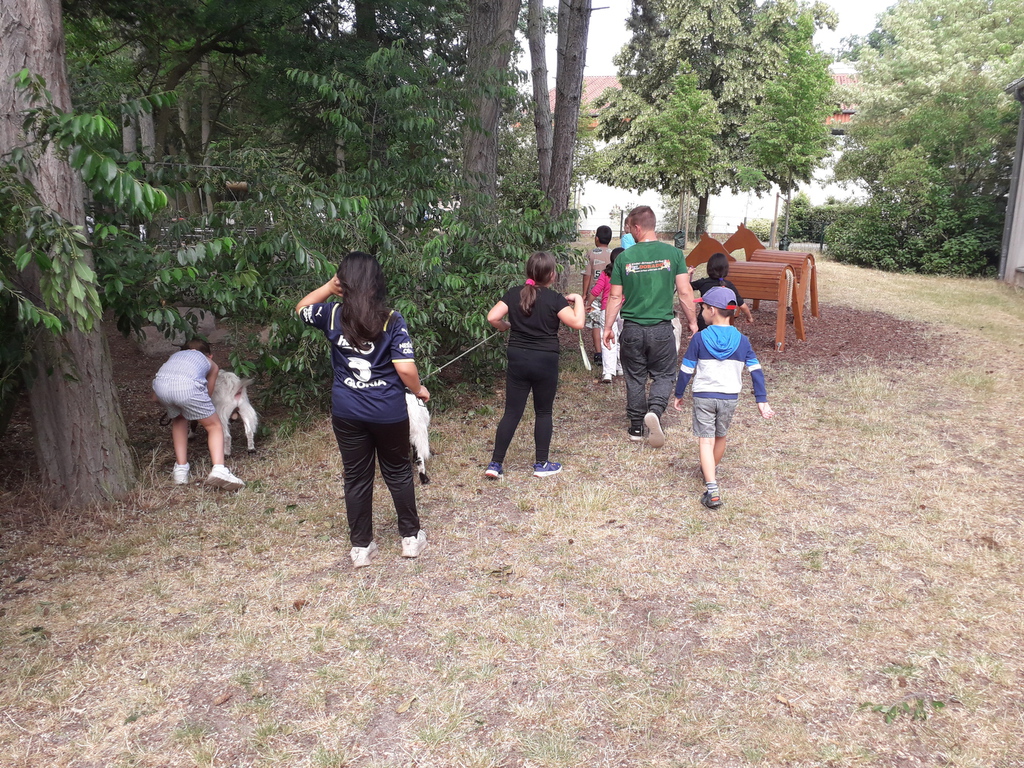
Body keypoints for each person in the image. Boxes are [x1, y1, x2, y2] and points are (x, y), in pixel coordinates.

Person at [296, 252, 430, 568]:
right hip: (388, 412)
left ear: (342, 282)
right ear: (376, 283)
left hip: (347, 412)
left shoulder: (331, 314)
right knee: (398, 471)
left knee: (356, 477)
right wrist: (418, 389)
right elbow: (405, 368)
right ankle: (410, 538)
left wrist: (328, 287)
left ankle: (361, 547)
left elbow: (301, 308)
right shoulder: (391, 319)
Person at [602, 205, 697, 448]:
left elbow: (615, 297)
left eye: (628, 228)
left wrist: (608, 327)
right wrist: (693, 322)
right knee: (664, 374)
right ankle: (654, 410)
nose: (628, 233)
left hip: (632, 329)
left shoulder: (624, 257)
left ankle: (636, 426)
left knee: (635, 377)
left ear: (637, 227)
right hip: (662, 329)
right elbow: (685, 292)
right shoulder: (674, 254)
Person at [485, 251, 586, 479]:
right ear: (551, 275)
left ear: (529, 272)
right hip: (545, 360)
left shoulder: (514, 294)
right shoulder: (555, 299)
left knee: (512, 412)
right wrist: (578, 300)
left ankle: (495, 463)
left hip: (518, 358)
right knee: (543, 411)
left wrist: (505, 326)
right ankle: (541, 464)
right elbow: (578, 322)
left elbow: (492, 317)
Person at [672, 286, 774, 508]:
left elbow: (686, 370)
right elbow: (756, 371)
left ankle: (712, 488)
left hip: (704, 396)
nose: (701, 312)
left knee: (705, 440)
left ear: (712, 310)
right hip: (729, 397)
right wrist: (761, 400)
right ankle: (709, 472)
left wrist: (679, 393)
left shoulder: (699, 339)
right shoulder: (743, 341)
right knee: (720, 436)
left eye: (703, 308)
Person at [152, 339, 245, 491]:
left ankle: (180, 471)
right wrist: (193, 405)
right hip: (187, 388)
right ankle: (219, 469)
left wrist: (174, 403)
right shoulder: (210, 363)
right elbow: (207, 394)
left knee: (179, 419)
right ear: (209, 355)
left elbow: (154, 397)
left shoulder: (174, 357)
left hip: (161, 388)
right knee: (214, 426)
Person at [690, 252, 755, 331]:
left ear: (709, 268)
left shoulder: (703, 282)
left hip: (704, 320)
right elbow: (742, 305)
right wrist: (749, 317)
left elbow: (687, 288)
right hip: (722, 323)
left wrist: (689, 275)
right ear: (726, 269)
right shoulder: (729, 285)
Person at [590, 247, 625, 383]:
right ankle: (621, 367)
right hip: (625, 310)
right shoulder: (628, 273)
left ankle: (608, 373)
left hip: (608, 309)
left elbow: (596, 290)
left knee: (607, 339)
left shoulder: (606, 273)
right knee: (622, 339)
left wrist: (588, 303)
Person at [583, 225, 614, 364]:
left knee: (596, 323)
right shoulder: (613, 254)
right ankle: (611, 349)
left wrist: (585, 294)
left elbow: (587, 275)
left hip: (595, 294)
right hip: (611, 294)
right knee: (610, 322)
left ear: (596, 238)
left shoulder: (591, 253)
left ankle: (598, 353)